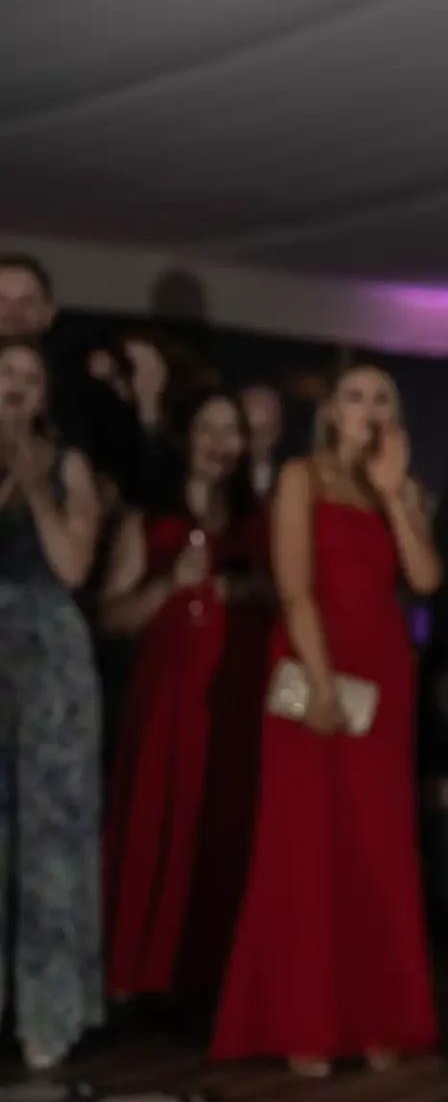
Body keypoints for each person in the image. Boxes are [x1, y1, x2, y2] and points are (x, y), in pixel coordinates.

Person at [211, 363, 441, 1075]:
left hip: (384, 679)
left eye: (382, 398)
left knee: (376, 851)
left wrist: (396, 493)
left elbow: (427, 581)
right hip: (314, 668)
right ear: (331, 409)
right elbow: (294, 587)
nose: (367, 409)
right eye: (354, 396)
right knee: (304, 845)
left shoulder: (398, 489)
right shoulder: (299, 478)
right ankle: (301, 1023)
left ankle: (376, 1023)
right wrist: (319, 684)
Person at [98, 387, 271, 1002]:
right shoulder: (146, 519)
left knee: (224, 823)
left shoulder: (259, 525)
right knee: (157, 817)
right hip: (167, 692)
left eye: (232, 433)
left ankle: (210, 977)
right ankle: (143, 975)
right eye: (208, 429)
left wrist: (239, 593)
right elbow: (113, 616)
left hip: (234, 696)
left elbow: (285, 600)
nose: (221, 445)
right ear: (185, 438)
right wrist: (171, 583)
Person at [0, 338, 104, 1069]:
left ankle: (49, 1013)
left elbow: (72, 564)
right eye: (3, 375)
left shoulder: (69, 465)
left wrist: (36, 487)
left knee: (52, 837)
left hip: (48, 656)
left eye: (29, 379)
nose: (15, 388)